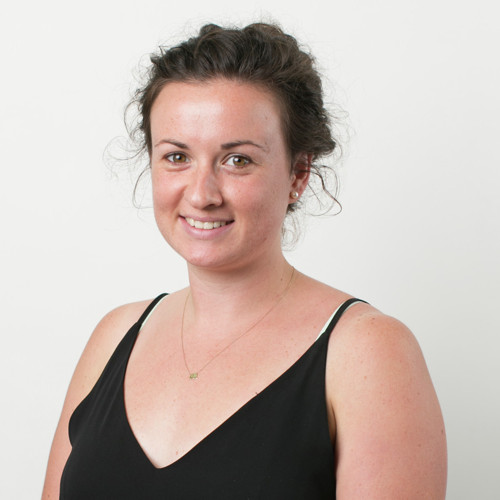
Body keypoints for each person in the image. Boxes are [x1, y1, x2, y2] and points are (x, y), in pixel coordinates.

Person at [42, 23, 447, 499]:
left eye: (237, 160)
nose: (201, 194)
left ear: (298, 173)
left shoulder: (367, 352)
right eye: (176, 157)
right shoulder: (115, 335)